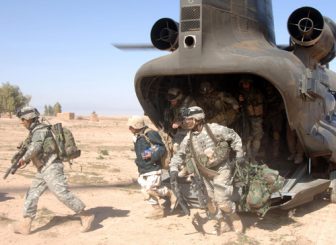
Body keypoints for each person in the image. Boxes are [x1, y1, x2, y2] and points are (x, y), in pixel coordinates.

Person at [12, 106, 94, 235]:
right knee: (32, 194)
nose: (21, 122)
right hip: (42, 169)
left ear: (29, 118)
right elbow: (35, 148)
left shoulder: (40, 130)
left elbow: (35, 147)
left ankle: (85, 215)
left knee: (61, 193)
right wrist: (24, 159)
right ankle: (26, 224)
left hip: (51, 167)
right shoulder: (34, 131)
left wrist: (24, 158)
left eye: (22, 119)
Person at [169, 106, 244, 234]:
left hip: (221, 169)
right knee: (210, 202)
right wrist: (173, 169)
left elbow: (233, 136)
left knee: (222, 201)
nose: (186, 122)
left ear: (198, 119)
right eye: (185, 120)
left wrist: (239, 153)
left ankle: (234, 217)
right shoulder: (189, 137)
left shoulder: (214, 129)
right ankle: (222, 222)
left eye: (189, 119)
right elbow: (179, 154)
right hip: (204, 172)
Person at [127, 115, 176, 219]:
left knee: (150, 189)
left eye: (131, 126)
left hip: (153, 167)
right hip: (143, 168)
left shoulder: (150, 133)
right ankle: (157, 210)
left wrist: (151, 155)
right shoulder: (137, 136)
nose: (129, 129)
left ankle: (170, 193)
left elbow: (161, 148)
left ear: (136, 125)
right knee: (144, 191)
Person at [238, 77, 264, 161]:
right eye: (244, 83)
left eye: (247, 83)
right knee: (247, 139)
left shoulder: (256, 92)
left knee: (257, 137)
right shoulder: (240, 93)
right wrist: (240, 101)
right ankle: (248, 157)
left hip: (256, 119)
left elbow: (261, 104)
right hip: (245, 119)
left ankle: (253, 156)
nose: (245, 85)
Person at [263, 84, 285, 159]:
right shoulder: (264, 96)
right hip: (268, 117)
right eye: (267, 88)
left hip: (276, 116)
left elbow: (282, 105)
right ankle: (266, 153)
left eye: (270, 88)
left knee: (276, 135)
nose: (268, 90)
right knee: (265, 135)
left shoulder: (278, 95)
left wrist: (277, 110)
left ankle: (275, 153)